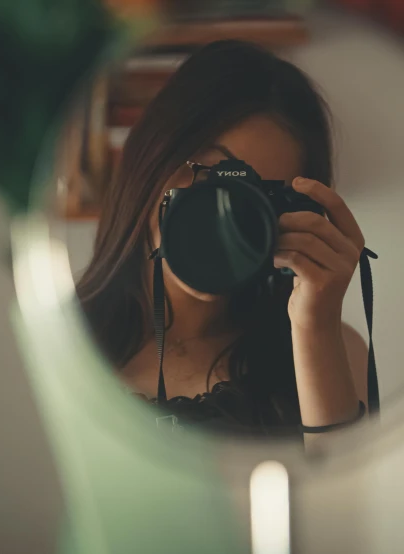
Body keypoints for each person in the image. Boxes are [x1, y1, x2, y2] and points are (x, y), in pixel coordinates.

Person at [76, 40, 369, 437]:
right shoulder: (58, 336)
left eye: (257, 197)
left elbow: (343, 498)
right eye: (212, 173)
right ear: (152, 158)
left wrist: (315, 328)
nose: (226, 213)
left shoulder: (331, 347)